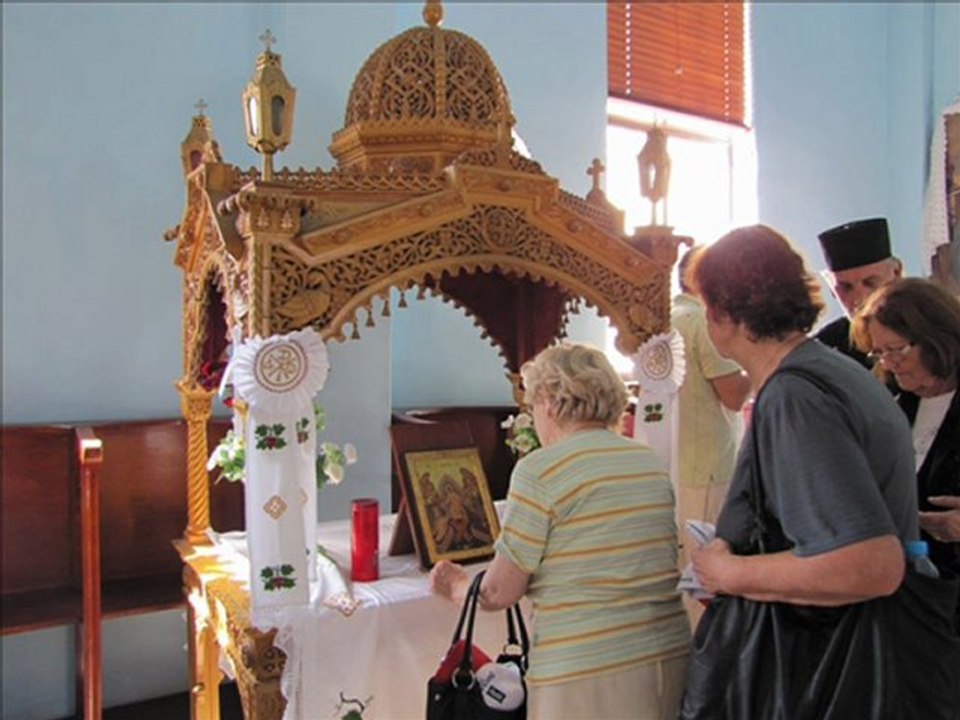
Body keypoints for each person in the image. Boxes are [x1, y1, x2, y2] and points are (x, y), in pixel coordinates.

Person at [687, 225, 920, 712]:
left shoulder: (796, 398)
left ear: (722, 314)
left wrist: (730, 572)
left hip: (829, 668)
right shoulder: (832, 371)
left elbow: (867, 565)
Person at [430, 342, 690, 720]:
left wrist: (457, 588)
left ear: (549, 402)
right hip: (667, 654)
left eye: (533, 404)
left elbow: (502, 589)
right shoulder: (646, 461)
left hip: (584, 668)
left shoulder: (540, 471)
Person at [851, 277, 960, 624]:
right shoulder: (893, 405)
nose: (889, 363)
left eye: (897, 350)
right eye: (879, 352)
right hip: (913, 600)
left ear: (936, 339)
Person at [672, 246, 751, 625]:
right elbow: (734, 396)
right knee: (704, 576)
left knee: (682, 569)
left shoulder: (662, 317)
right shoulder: (703, 322)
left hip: (672, 462)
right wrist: (769, 363)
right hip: (709, 467)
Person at [815, 217, 902, 369]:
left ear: (896, 273)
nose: (860, 299)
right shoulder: (824, 350)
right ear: (832, 289)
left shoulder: (929, 329)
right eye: (846, 287)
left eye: (870, 283)